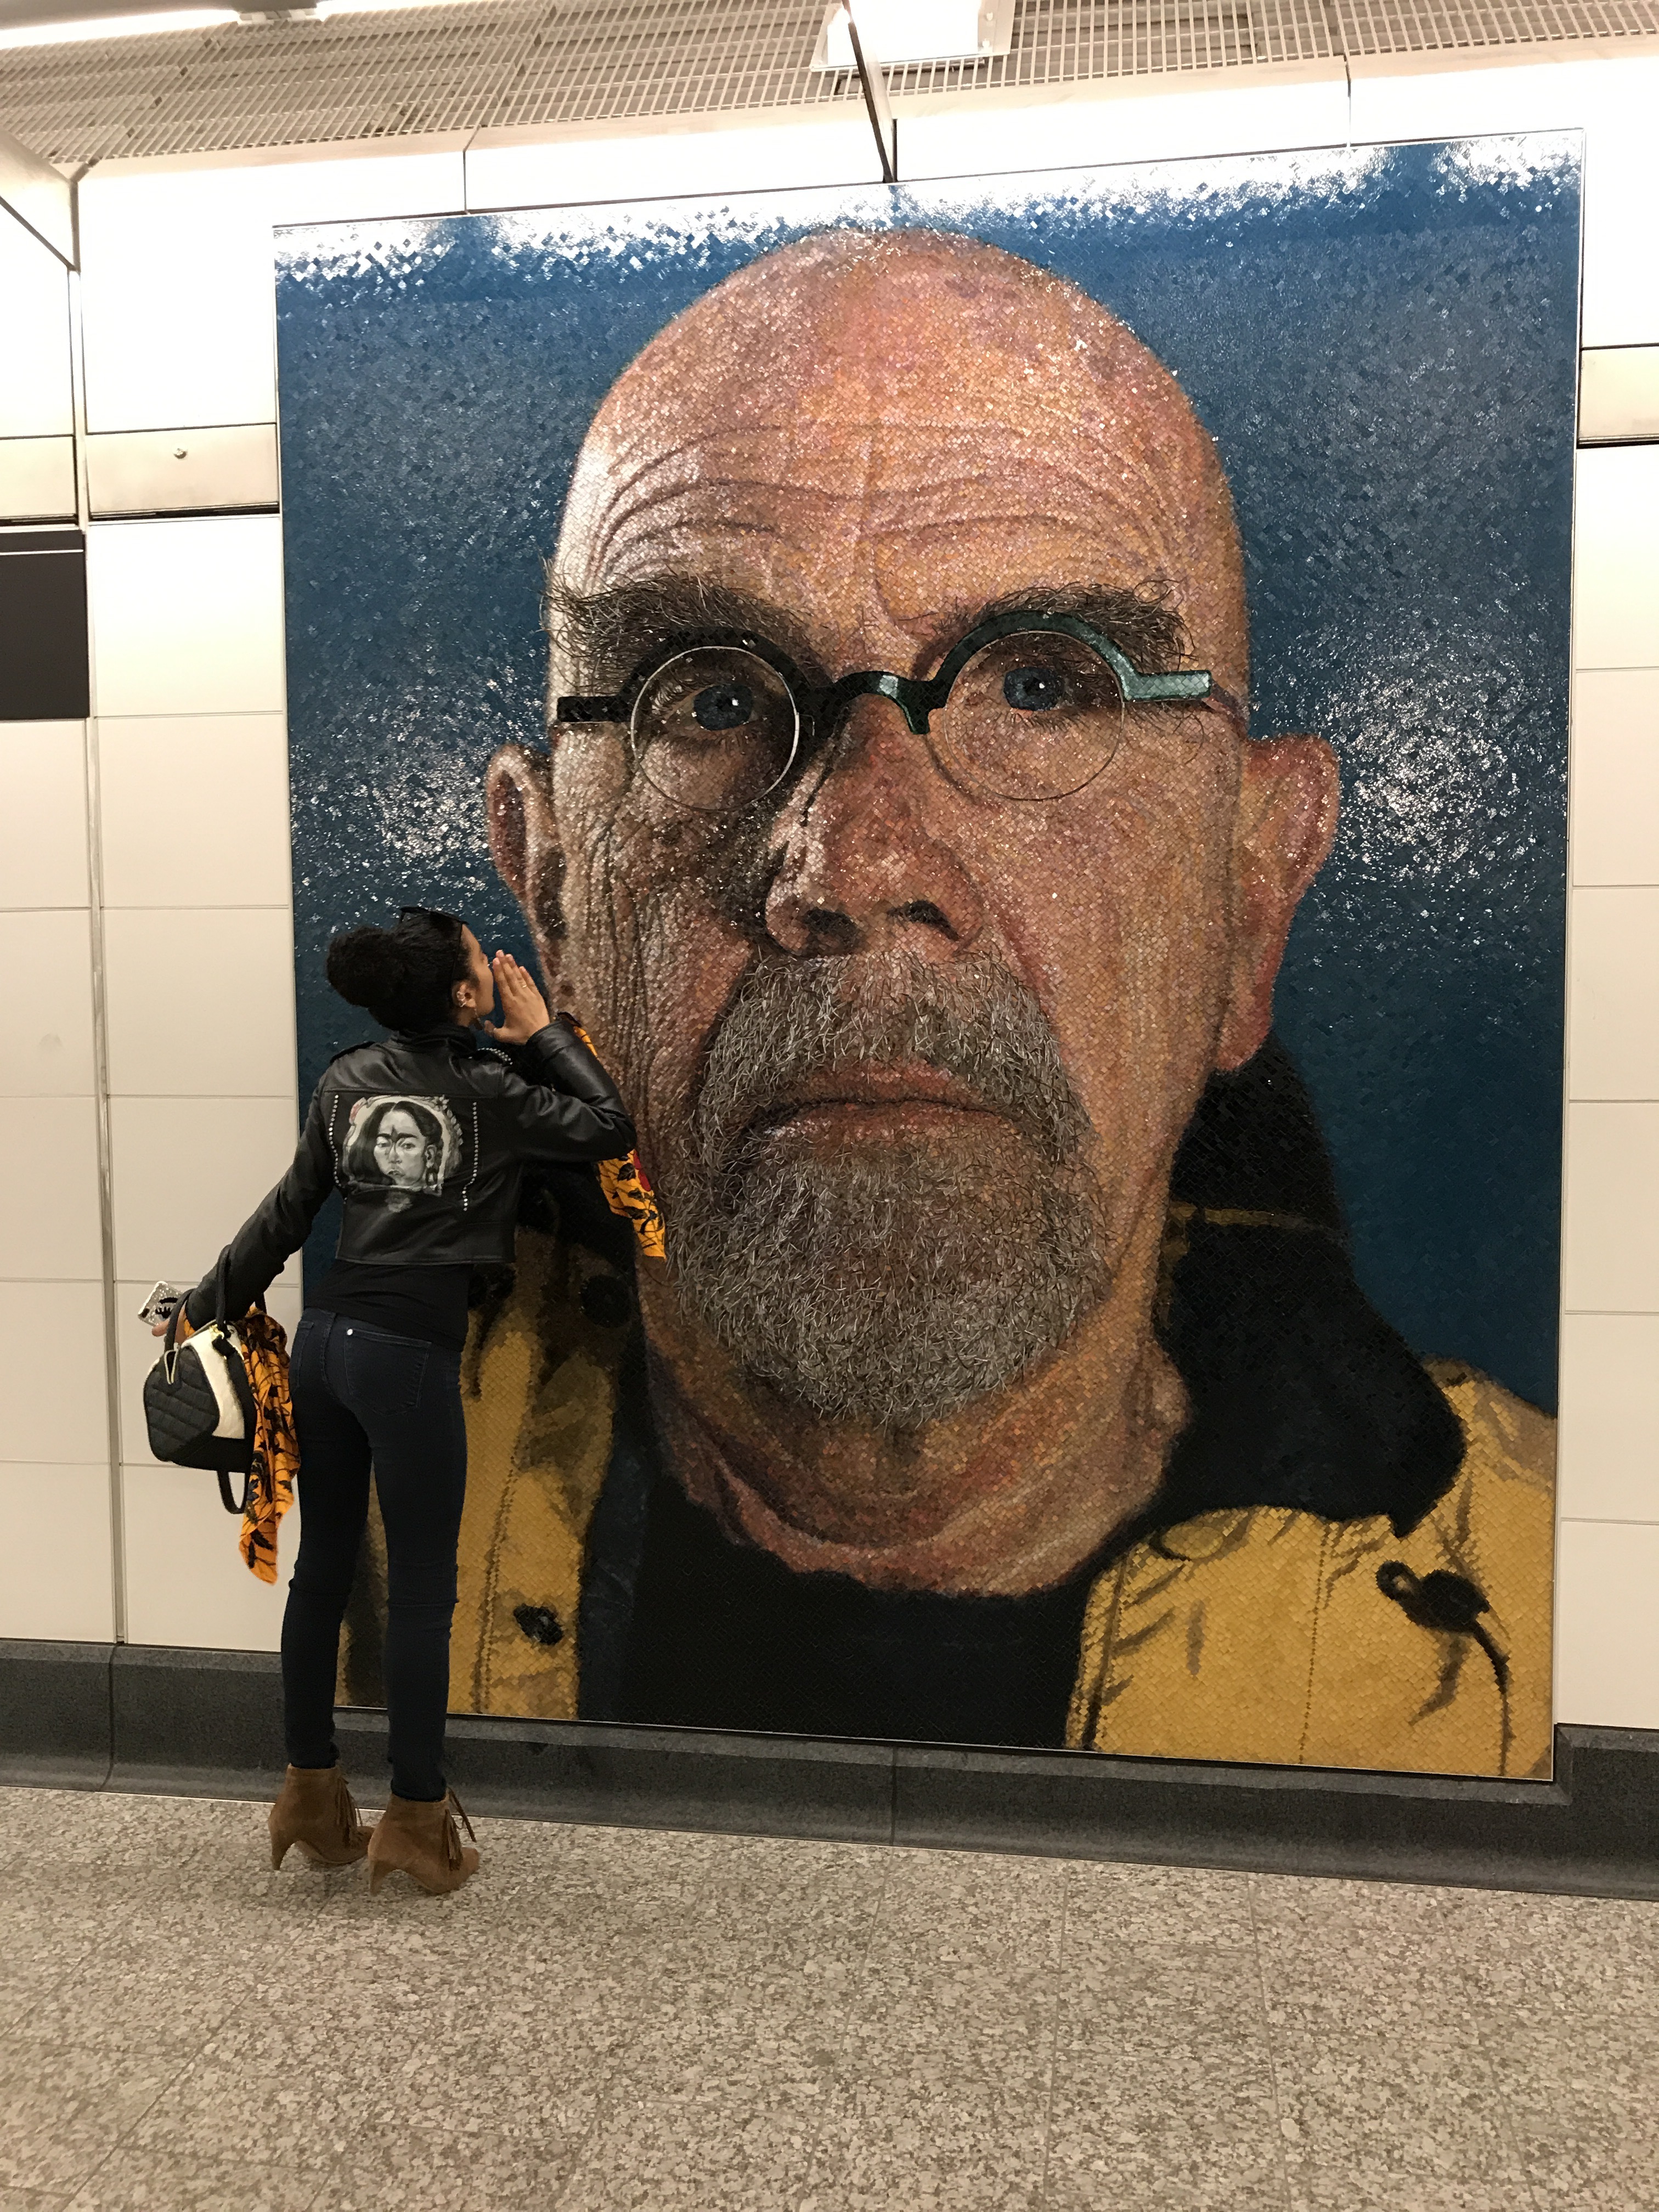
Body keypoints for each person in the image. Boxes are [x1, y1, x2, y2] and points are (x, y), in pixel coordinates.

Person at [348, 228, 1553, 1778]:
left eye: (1043, 686)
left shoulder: (1539, 1604)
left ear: (1251, 900)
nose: (855, 866)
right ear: (556, 894)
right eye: (710, 698)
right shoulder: (357, 1498)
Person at [165, 906, 635, 1890]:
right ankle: (416, 1816)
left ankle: (308, 1790)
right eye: (478, 963)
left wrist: (202, 1310)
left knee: (322, 1574)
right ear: (465, 996)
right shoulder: (492, 1089)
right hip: (407, 1358)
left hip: (326, 1345)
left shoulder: (345, 1082)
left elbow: (287, 1212)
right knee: (423, 1592)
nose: (492, 969)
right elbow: (607, 1126)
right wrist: (542, 1032)